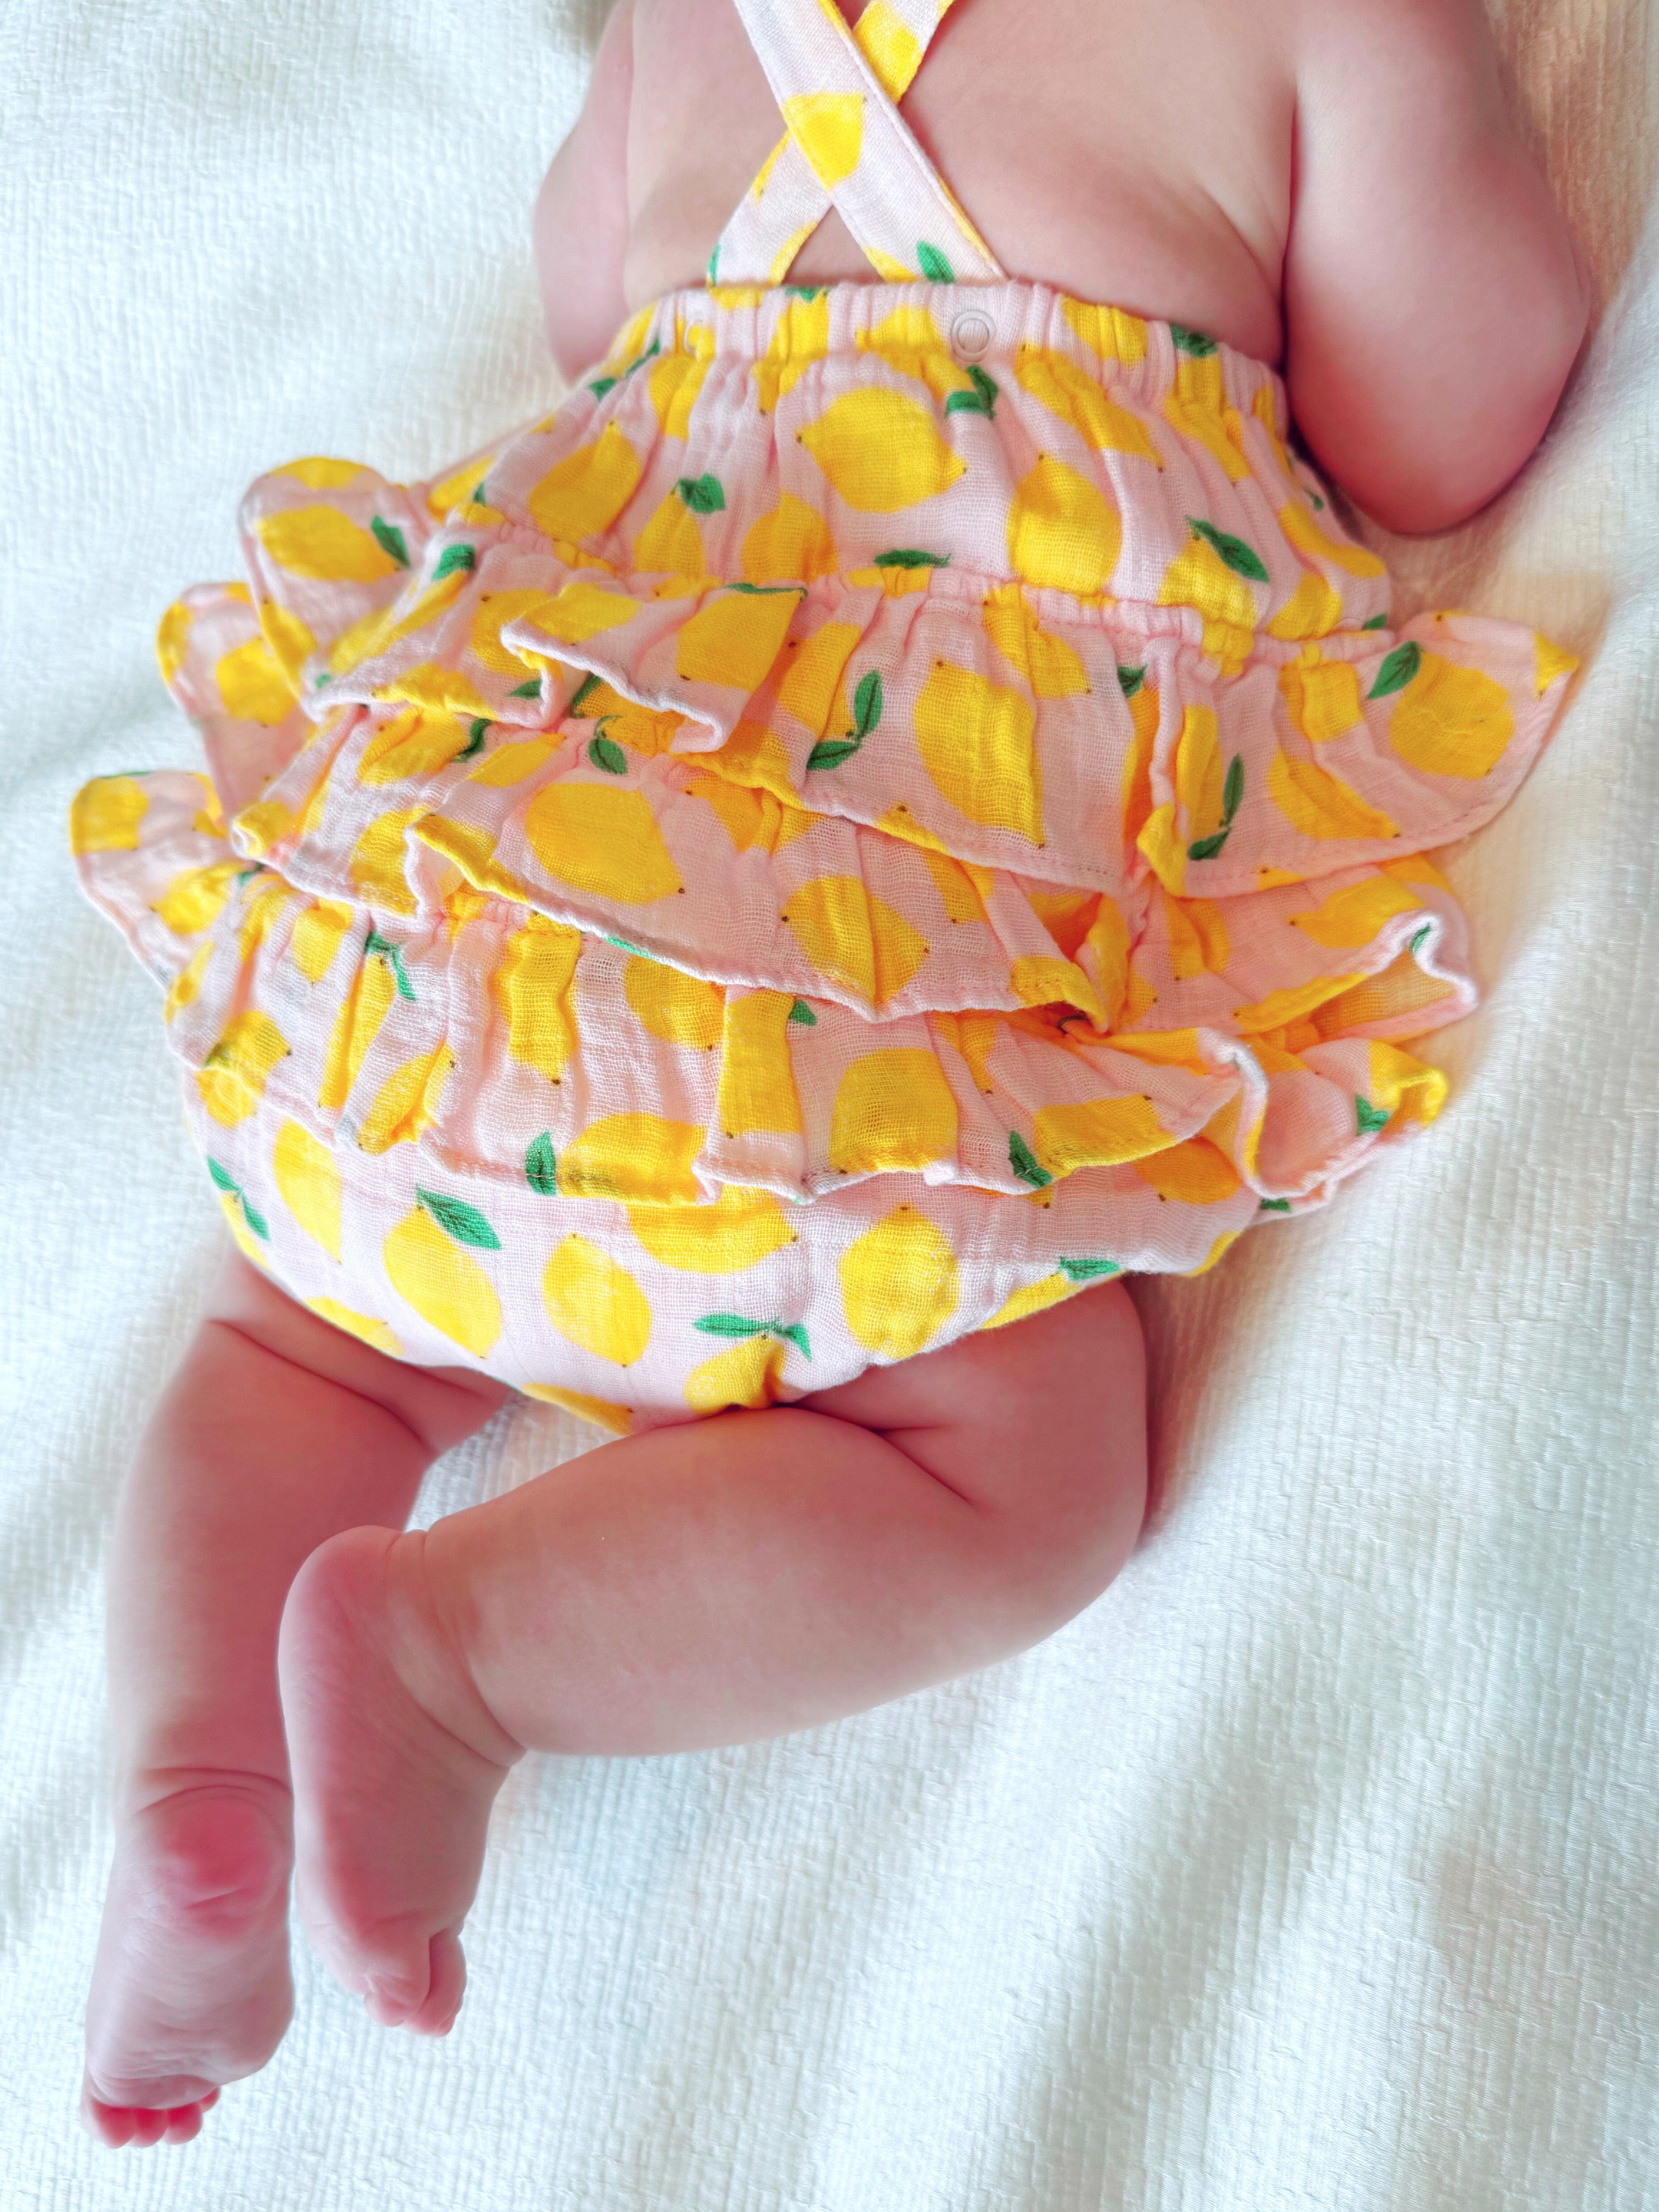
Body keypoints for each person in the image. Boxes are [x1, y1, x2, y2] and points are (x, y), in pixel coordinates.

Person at [69, 0, 1587, 2147]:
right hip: (827, 1014)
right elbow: (1442, 424)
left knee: (289, 1338)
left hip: (475, 922)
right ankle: (454, 1665)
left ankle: (192, 1781)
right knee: (1016, 1474)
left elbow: (588, 308)